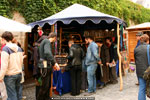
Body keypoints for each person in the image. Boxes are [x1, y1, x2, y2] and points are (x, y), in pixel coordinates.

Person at [0, 31, 24, 100]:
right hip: (18, 74)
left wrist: (0, 77)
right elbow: (21, 61)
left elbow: (4, 65)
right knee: (18, 95)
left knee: (11, 96)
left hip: (10, 75)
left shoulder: (5, 49)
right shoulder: (19, 48)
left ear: (4, 39)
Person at [37, 32, 60, 100]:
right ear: (54, 37)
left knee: (46, 85)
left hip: (45, 65)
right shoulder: (47, 41)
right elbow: (47, 53)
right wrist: (54, 63)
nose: (55, 40)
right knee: (45, 86)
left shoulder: (44, 41)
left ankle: (46, 98)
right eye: (55, 39)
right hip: (45, 66)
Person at [134, 34, 149, 100]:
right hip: (148, 71)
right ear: (147, 41)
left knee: (141, 89)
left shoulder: (136, 49)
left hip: (140, 72)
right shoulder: (149, 47)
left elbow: (136, 60)